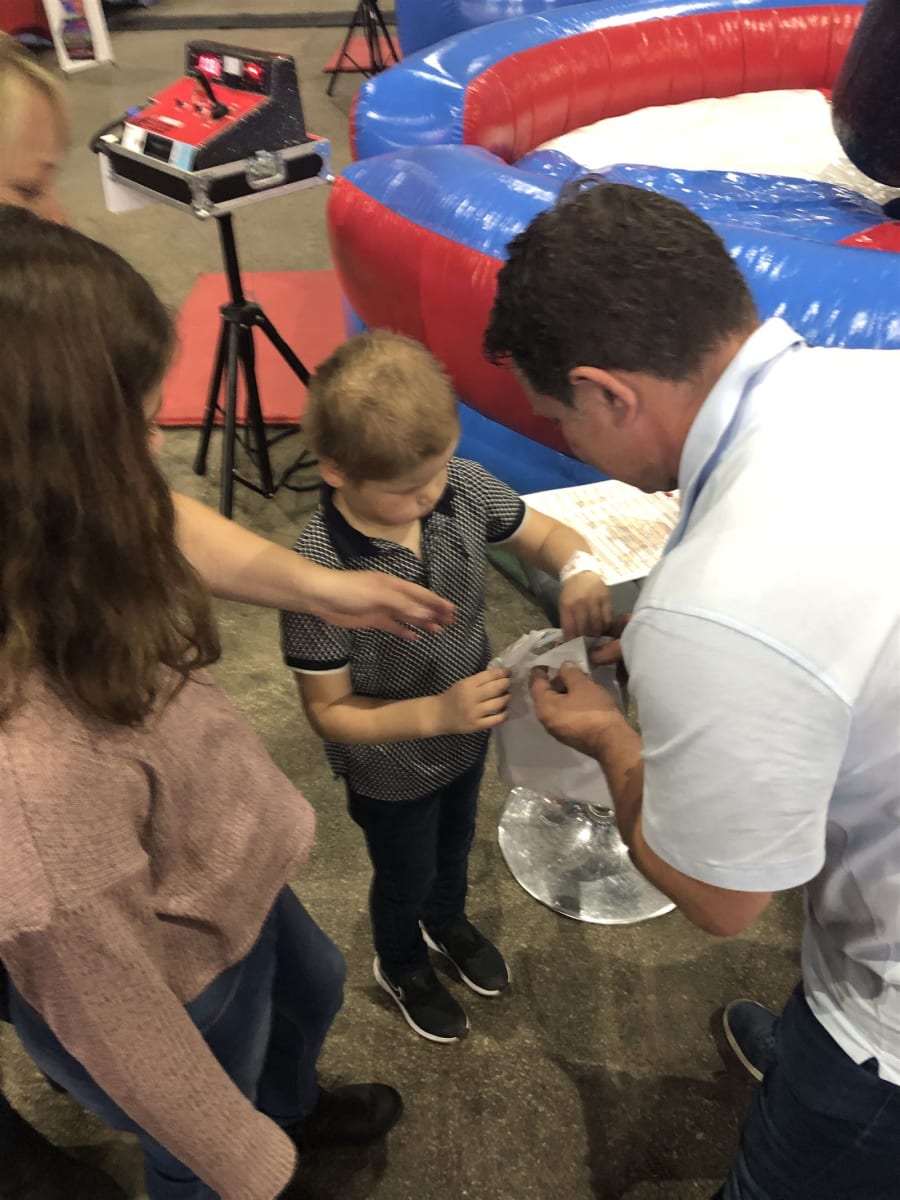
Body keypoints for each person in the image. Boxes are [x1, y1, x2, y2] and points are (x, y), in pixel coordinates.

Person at [0, 36, 453, 1199]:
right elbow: (122, 1026)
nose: (158, 455)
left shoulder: (68, 533)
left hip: (219, 870)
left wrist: (326, 589)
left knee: (308, 990)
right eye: (136, 430)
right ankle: (261, 1145)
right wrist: (250, 1164)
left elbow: (144, 509)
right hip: (169, 970)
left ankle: (289, 1103)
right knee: (209, 1119)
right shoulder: (34, 785)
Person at [484, 178, 900, 1198]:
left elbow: (722, 898)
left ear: (607, 393)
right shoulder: (869, 378)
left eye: (562, 422)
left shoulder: (717, 607)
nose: (568, 443)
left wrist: (609, 737)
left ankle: (817, 1075)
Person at [279, 331, 613, 1044]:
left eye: (437, 473)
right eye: (407, 489)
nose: (430, 495)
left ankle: (447, 921)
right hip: (391, 766)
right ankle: (400, 961)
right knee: (404, 871)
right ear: (336, 470)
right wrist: (436, 712)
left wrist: (579, 568)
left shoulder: (459, 486)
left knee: (455, 845)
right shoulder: (316, 573)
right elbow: (330, 713)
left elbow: (548, 536)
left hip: (466, 737)